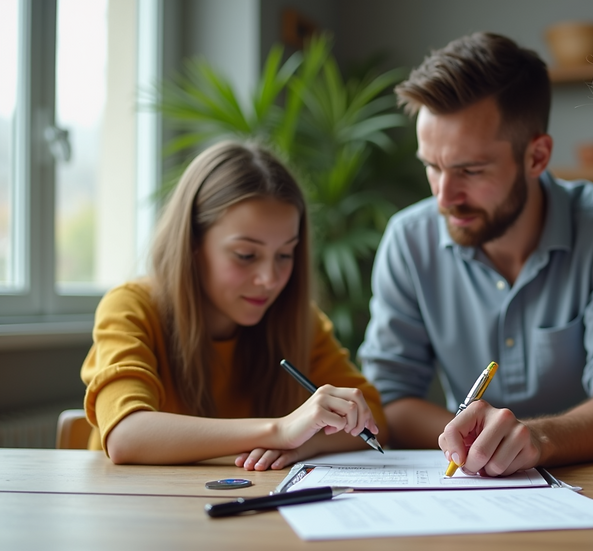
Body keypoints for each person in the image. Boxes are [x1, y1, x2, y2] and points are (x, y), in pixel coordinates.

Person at [358, 32, 593, 476]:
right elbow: (391, 398)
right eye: (432, 166)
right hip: (465, 483)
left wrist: (536, 438)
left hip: (591, 479)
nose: (445, 195)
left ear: (536, 156)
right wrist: (477, 442)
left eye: (469, 170)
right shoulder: (408, 239)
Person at [81, 141, 386, 470]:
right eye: (246, 255)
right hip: (134, 509)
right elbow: (127, 435)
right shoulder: (131, 307)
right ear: (192, 244)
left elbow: (372, 417)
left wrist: (303, 445)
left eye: (285, 255)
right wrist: (280, 431)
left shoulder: (298, 319)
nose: (269, 279)